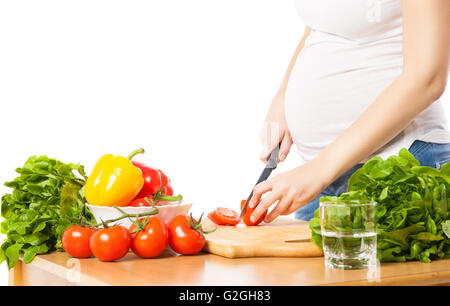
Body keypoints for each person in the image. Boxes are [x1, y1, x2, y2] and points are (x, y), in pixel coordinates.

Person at [248, 0, 450, 223]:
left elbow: (428, 79)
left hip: (398, 171)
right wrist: (282, 98)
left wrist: (318, 171)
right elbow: (322, 25)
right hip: (320, 181)